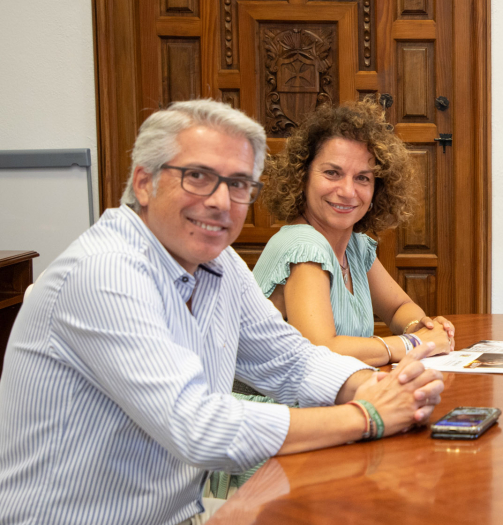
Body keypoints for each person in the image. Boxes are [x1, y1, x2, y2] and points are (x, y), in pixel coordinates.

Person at [0, 99, 445, 525]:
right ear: (143, 182)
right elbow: (198, 426)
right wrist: (368, 414)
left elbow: (290, 357)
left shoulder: (219, 262)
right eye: (197, 176)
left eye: (237, 184)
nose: (219, 201)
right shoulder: (103, 272)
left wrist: (379, 385)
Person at [255, 99, 453, 367]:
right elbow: (322, 351)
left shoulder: (355, 247)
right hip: (279, 408)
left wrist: (419, 327)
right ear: (302, 178)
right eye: (332, 173)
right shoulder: (303, 245)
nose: (348, 191)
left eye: (363, 178)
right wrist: (414, 344)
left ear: (377, 190)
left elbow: (398, 309)